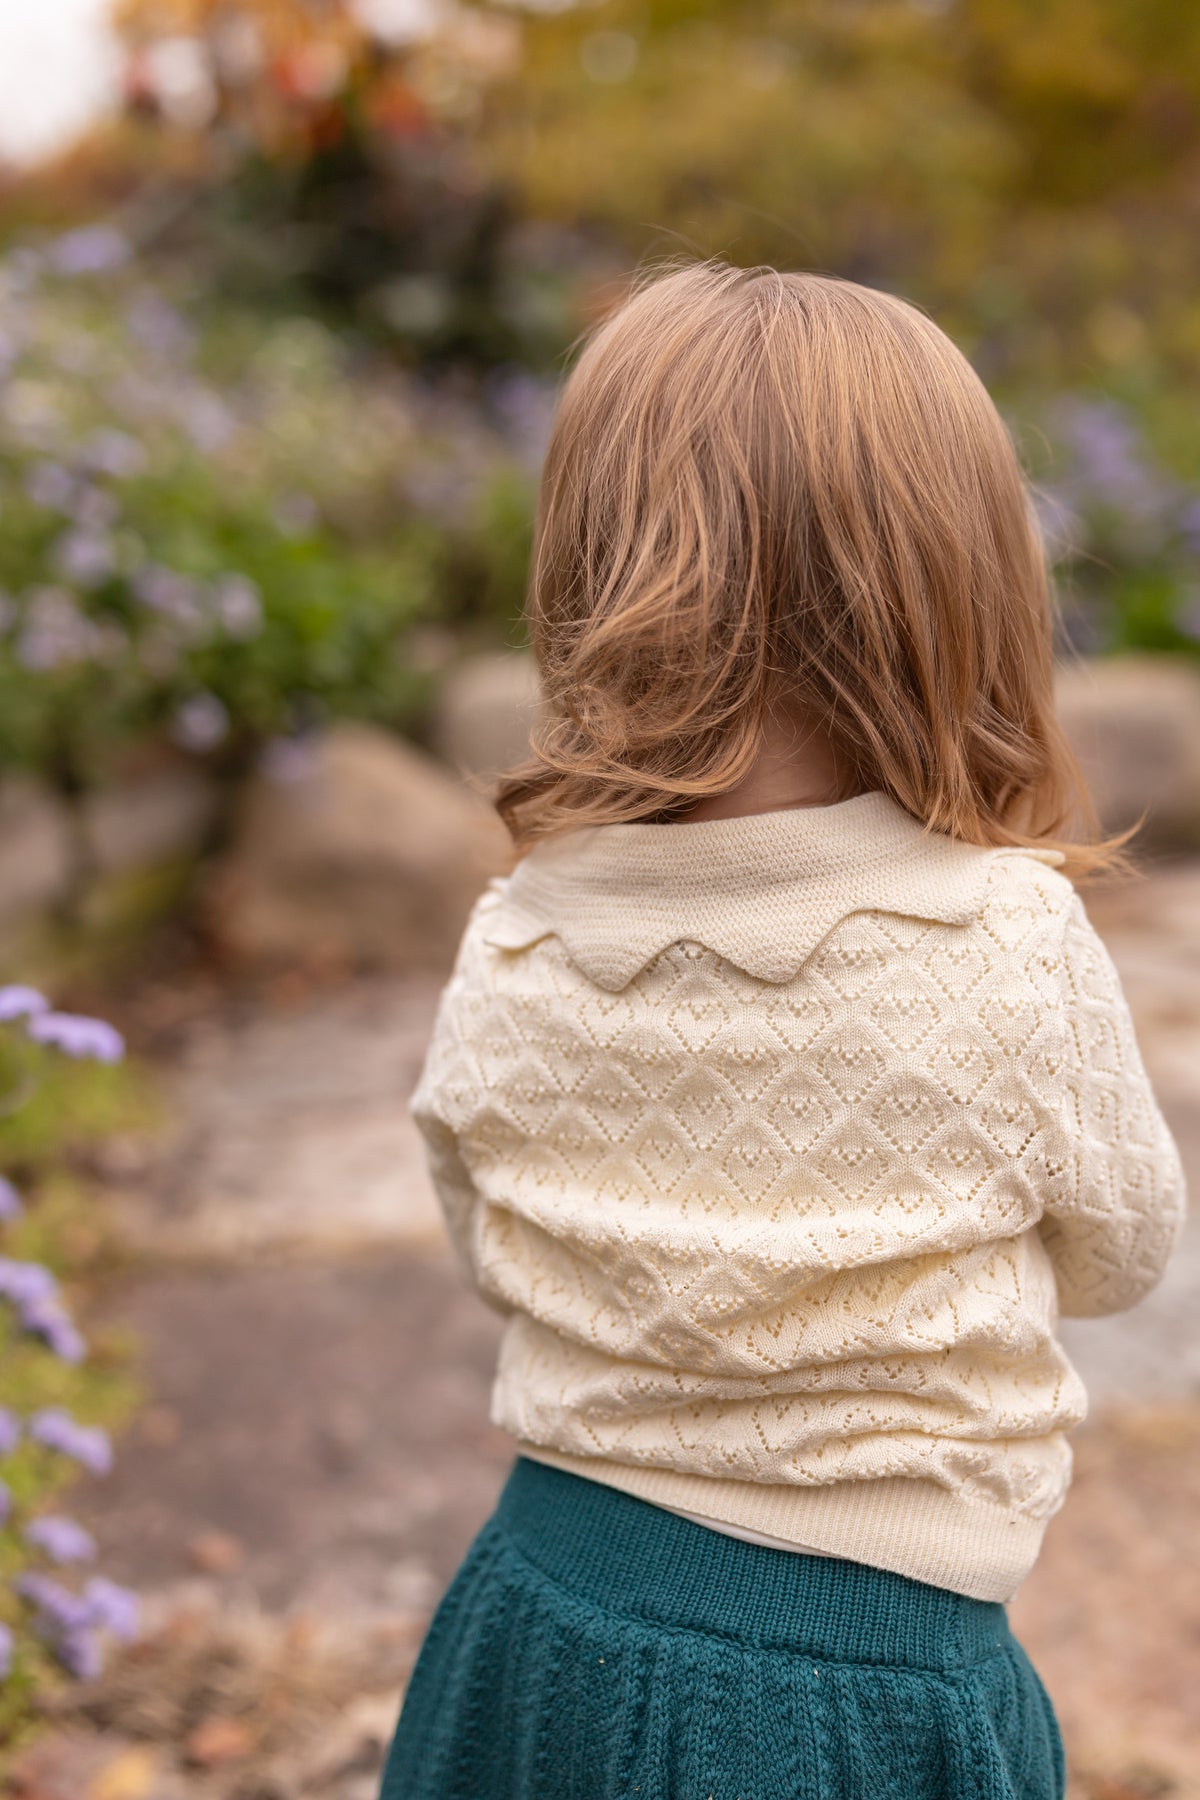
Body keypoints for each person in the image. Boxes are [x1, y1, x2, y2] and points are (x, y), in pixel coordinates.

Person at [377, 260, 1188, 1799]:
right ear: (966, 592)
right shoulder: (1004, 939)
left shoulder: (523, 929)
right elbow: (1126, 1247)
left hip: (542, 1624)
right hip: (862, 1692)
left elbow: (489, 1236)